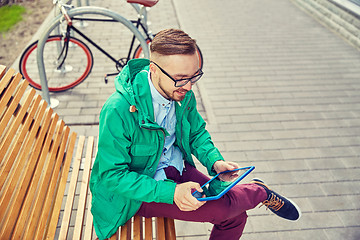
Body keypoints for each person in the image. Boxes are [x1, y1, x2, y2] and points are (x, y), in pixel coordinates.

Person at [89, 28, 301, 240]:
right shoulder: (118, 109)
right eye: (181, 78)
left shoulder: (181, 93)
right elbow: (112, 176)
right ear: (153, 69)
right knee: (226, 211)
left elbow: (196, 133)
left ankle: (256, 191)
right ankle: (258, 191)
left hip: (175, 167)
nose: (189, 86)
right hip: (136, 192)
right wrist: (171, 193)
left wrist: (215, 160)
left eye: (194, 76)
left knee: (235, 217)